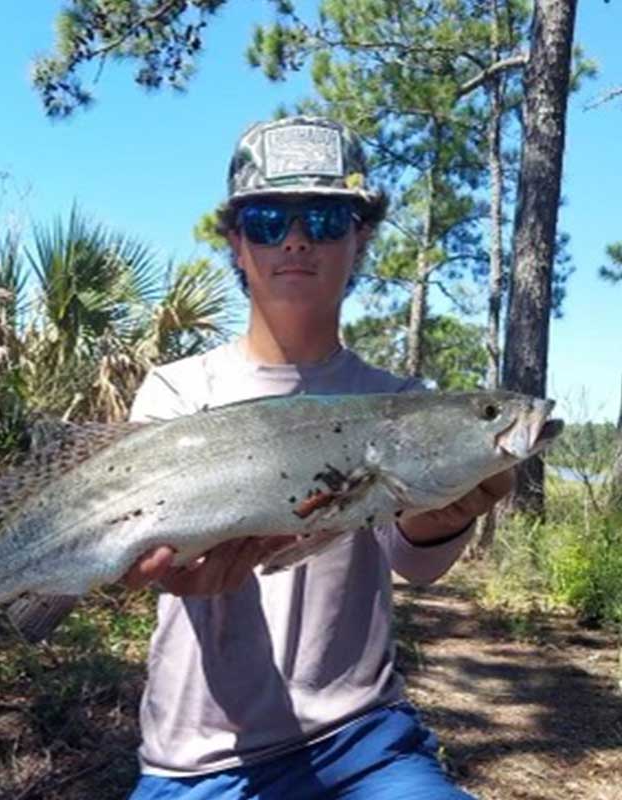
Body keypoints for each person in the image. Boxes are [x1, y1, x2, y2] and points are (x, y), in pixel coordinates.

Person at [120, 116, 512, 799]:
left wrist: (447, 511)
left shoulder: (401, 403)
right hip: (200, 760)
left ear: (360, 239)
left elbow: (417, 563)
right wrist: (166, 570)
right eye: (268, 220)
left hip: (365, 743)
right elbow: (139, 555)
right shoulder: (177, 391)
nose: (295, 240)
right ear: (237, 242)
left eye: (326, 220)